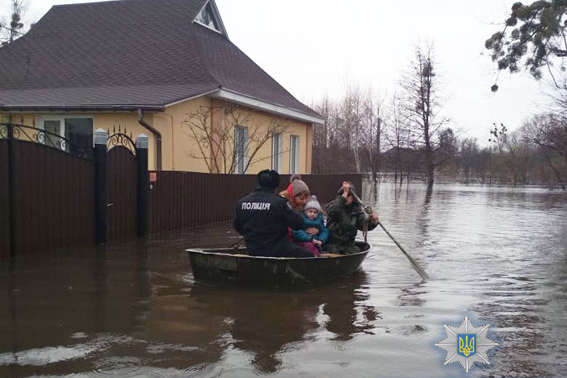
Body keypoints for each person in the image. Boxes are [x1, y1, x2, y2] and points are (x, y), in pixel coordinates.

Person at [233, 170, 315, 258]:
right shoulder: (278, 203)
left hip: (253, 249)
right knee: (308, 255)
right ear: (276, 185)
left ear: (259, 182)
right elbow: (298, 223)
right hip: (277, 250)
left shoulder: (242, 202)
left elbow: (237, 226)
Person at [325, 181, 379, 254]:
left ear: (353, 198)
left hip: (348, 245)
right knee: (332, 251)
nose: (346, 198)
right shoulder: (333, 206)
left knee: (354, 251)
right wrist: (344, 195)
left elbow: (364, 225)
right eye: (344, 195)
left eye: (349, 196)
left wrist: (373, 220)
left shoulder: (356, 211)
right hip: (332, 244)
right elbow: (333, 211)